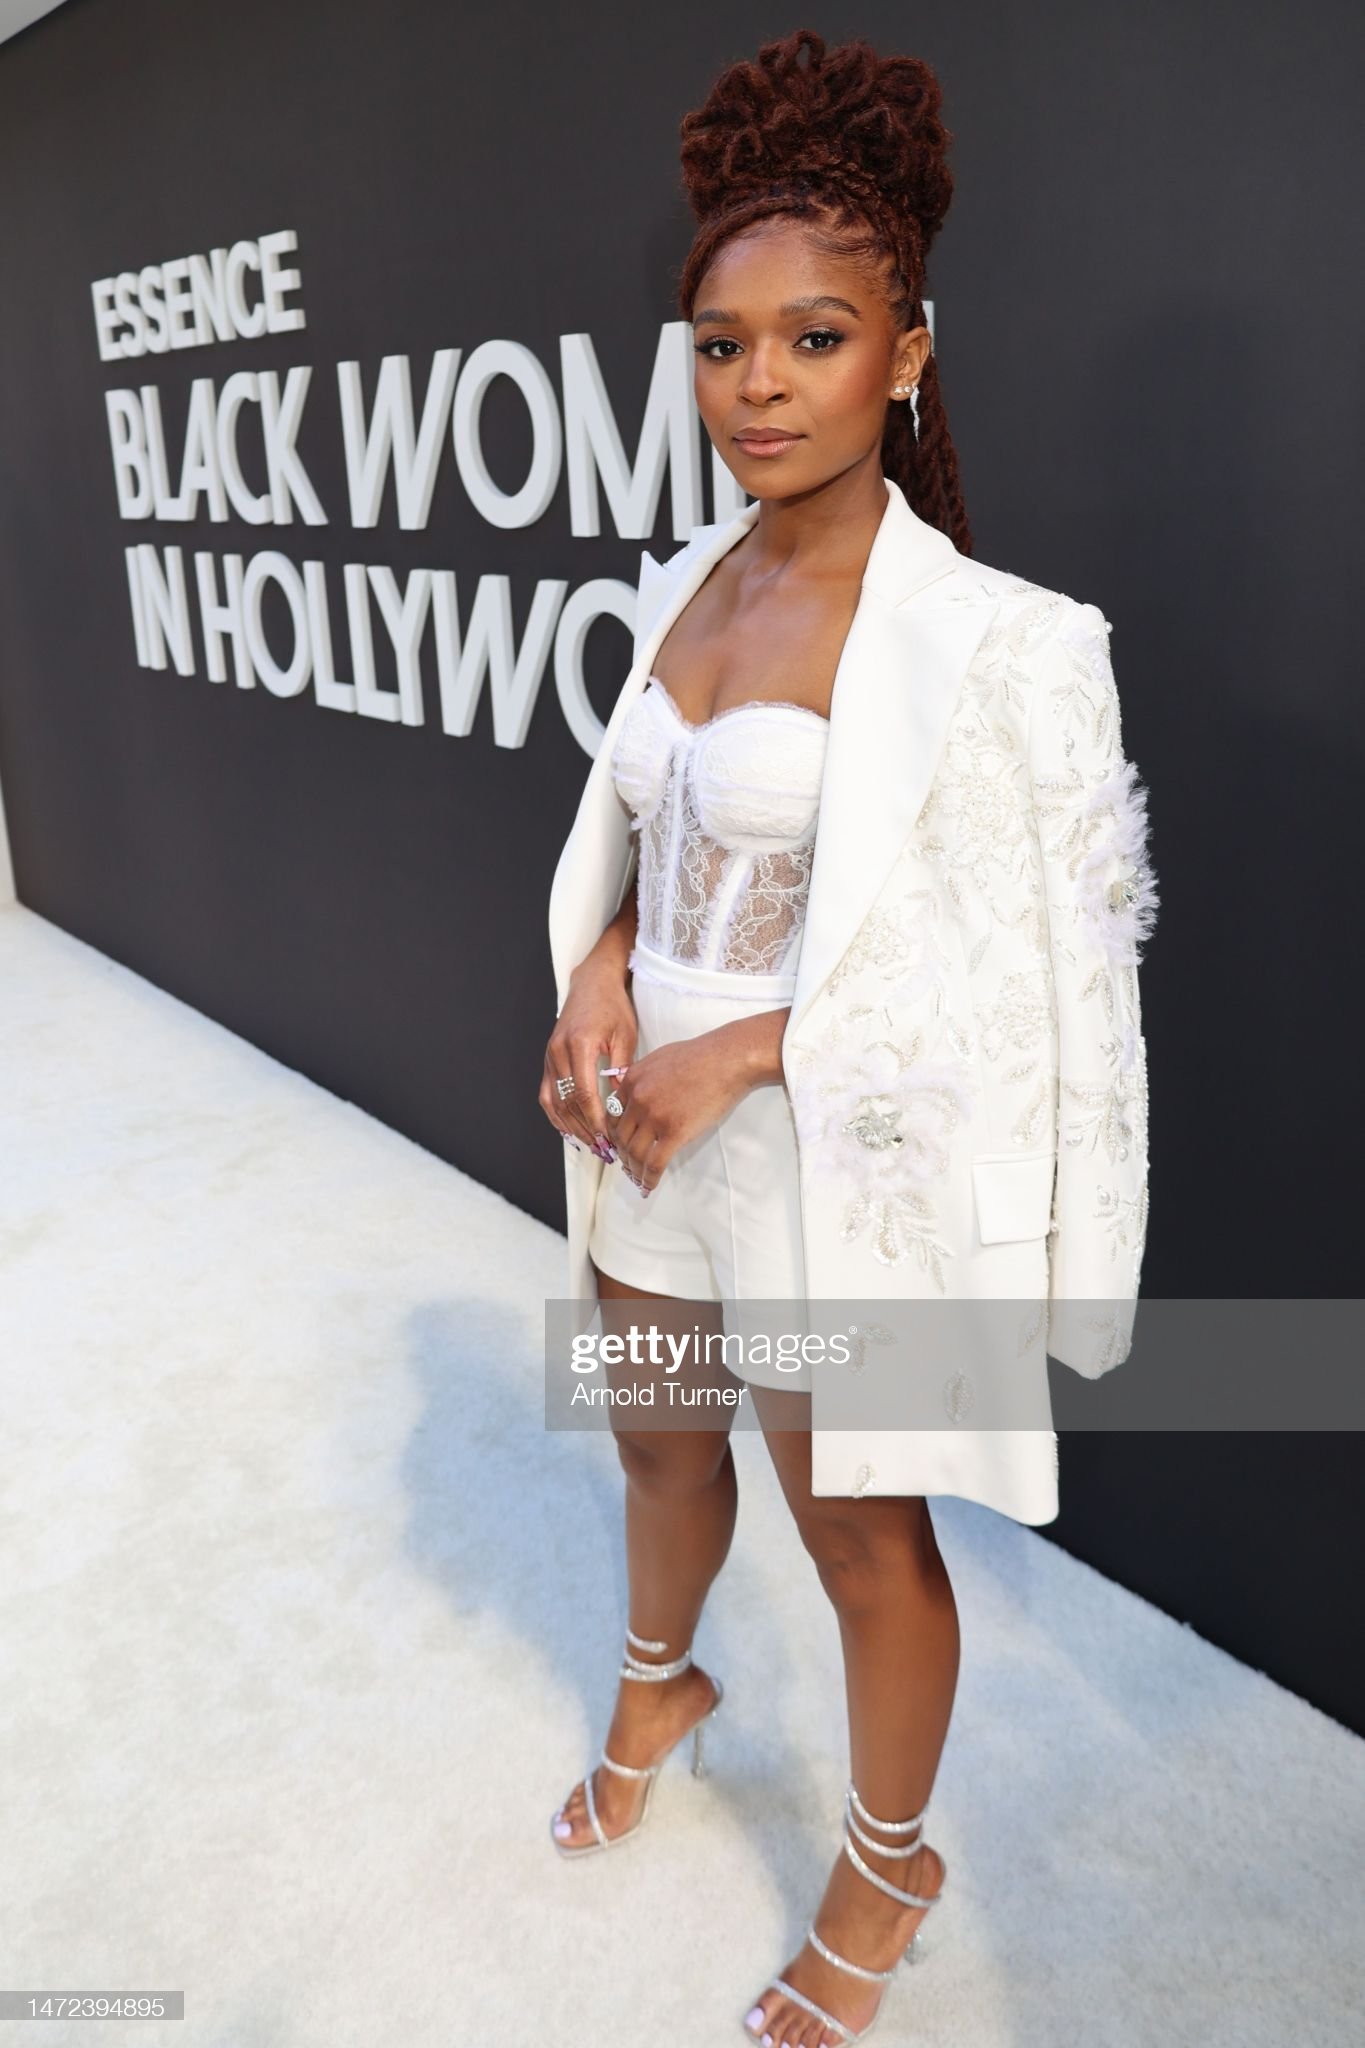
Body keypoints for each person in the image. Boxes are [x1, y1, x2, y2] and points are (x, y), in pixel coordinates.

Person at [540, 28, 1155, 2048]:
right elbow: (644, 837)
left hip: (822, 1168)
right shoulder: (679, 586)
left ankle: (889, 1862)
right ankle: (661, 1681)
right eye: (720, 347)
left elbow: (1013, 978)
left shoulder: (995, 647)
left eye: (812, 340)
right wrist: (599, 971)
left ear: (905, 352)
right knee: (650, 1434)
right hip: (641, 1132)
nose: (758, 388)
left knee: (856, 1534)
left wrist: (748, 1051)